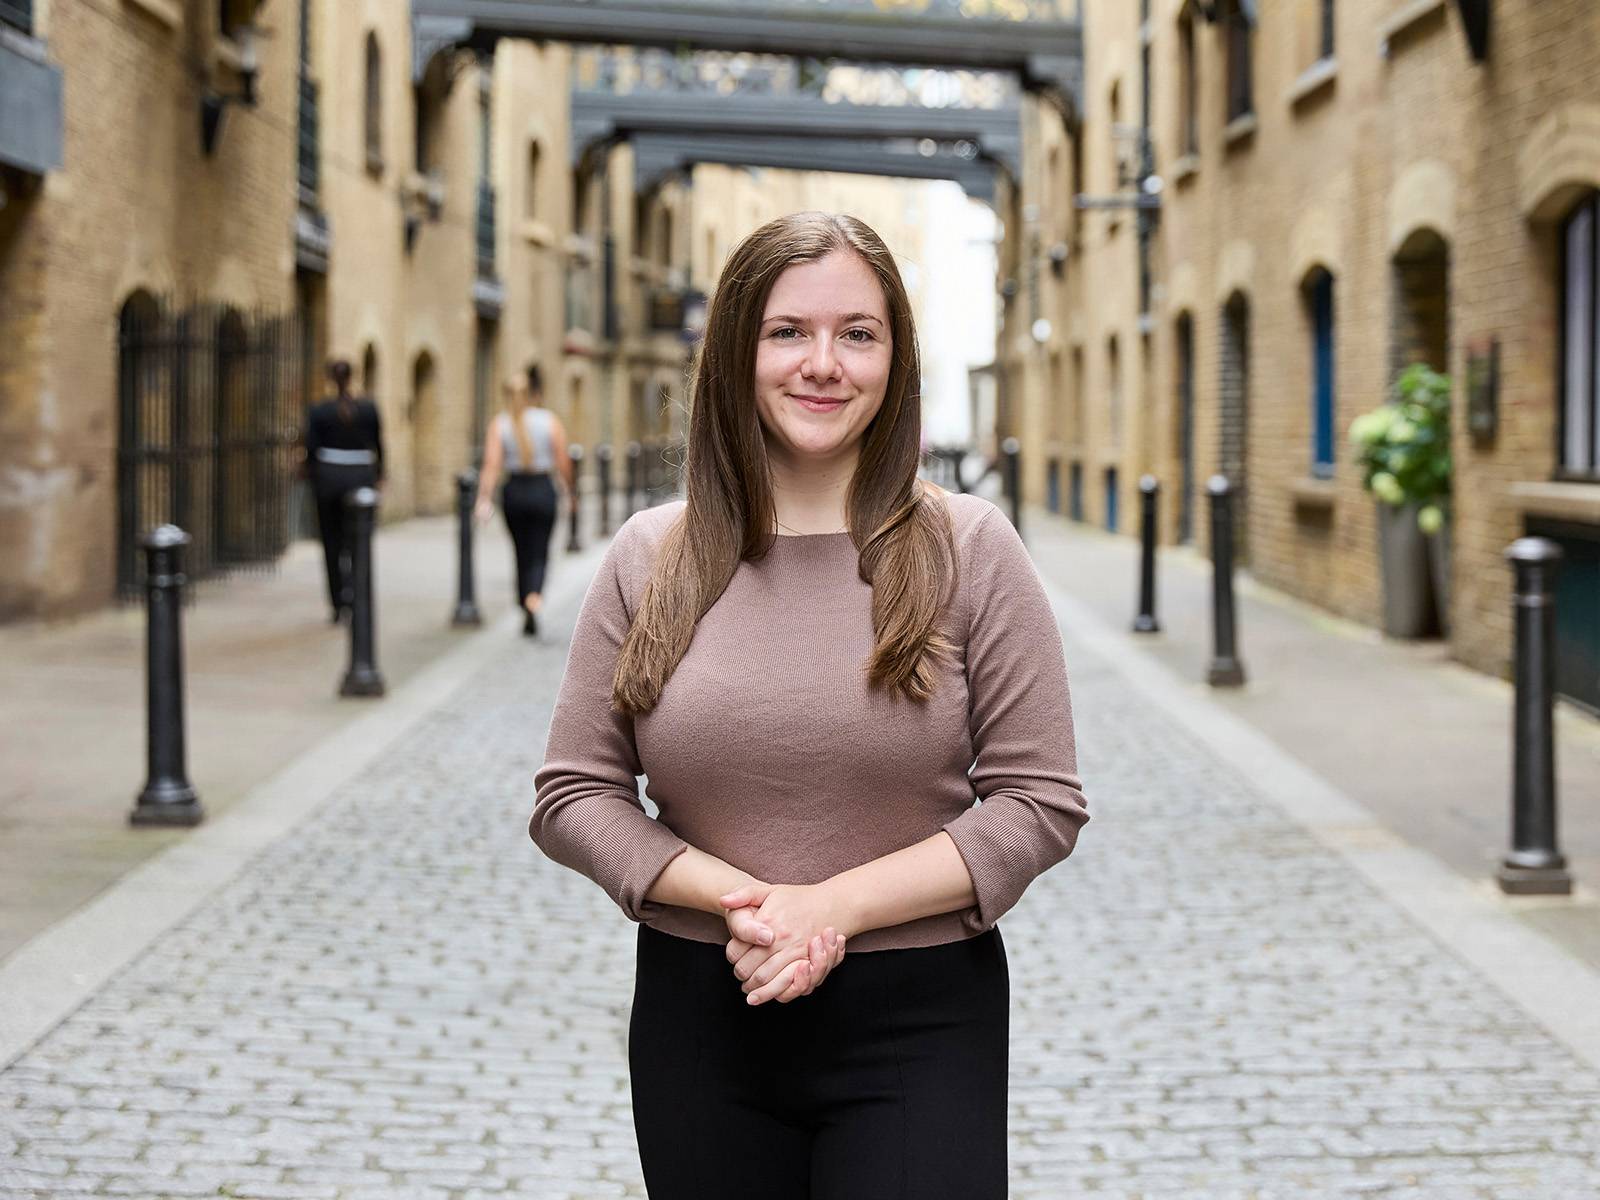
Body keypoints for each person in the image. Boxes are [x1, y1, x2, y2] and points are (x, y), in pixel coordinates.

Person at [529, 212, 1089, 1199]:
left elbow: (1038, 802)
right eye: (787, 331)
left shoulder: (970, 549)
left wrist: (828, 910)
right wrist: (743, 905)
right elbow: (574, 795)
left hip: (921, 1026)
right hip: (702, 1019)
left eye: (857, 334)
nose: (823, 363)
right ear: (735, 351)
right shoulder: (651, 556)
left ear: (894, 357)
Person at [475, 365, 571, 637]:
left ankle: (522, 600)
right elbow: (563, 461)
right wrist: (569, 491)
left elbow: (491, 465)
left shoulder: (500, 424)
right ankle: (534, 596)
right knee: (540, 549)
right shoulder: (549, 421)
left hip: (514, 491)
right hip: (542, 489)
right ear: (533, 394)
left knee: (520, 550)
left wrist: (484, 498)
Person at [303, 359, 384, 623]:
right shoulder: (368, 409)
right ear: (351, 377)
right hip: (360, 478)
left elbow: (311, 449)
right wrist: (379, 475)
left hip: (329, 480)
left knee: (332, 542)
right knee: (358, 541)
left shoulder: (319, 411)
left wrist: (313, 475)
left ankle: (339, 601)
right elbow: (379, 446)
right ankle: (357, 594)